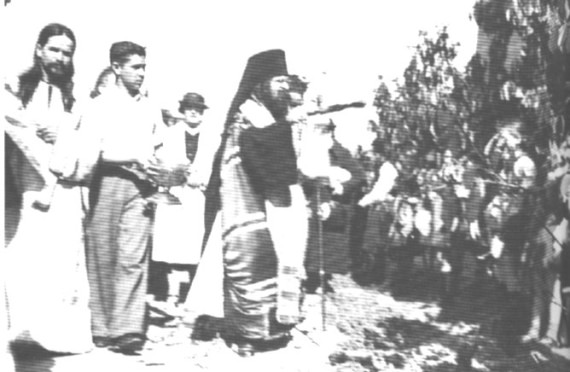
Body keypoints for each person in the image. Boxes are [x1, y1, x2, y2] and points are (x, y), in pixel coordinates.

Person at [203, 49, 309, 355]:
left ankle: (274, 329)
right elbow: (256, 149)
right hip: (243, 201)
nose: (283, 88)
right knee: (249, 261)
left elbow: (280, 159)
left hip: (269, 200)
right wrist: (285, 126)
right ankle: (246, 333)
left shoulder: (270, 114)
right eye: (277, 81)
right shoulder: (248, 112)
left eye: (285, 82)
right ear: (259, 83)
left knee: (278, 260)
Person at [3, 23, 93, 354]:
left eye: (67, 52)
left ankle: (60, 337)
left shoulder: (75, 96)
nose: (60, 57)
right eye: (54, 49)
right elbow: (19, 131)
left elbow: (86, 139)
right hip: (28, 185)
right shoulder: (17, 90)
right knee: (28, 257)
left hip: (66, 189)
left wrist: (63, 140)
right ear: (39, 48)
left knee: (62, 258)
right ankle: (27, 334)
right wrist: (51, 151)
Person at [82, 41, 168, 355]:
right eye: (135, 67)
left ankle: (128, 329)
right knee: (103, 254)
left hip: (141, 187)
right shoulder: (99, 104)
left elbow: (159, 145)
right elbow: (95, 151)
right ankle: (102, 327)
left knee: (133, 257)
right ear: (117, 67)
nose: (141, 73)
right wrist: (131, 157)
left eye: (144, 67)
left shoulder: (149, 106)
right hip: (106, 183)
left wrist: (162, 169)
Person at [150, 92, 210, 313]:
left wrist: (202, 180)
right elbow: (158, 160)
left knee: (197, 244)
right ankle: (172, 295)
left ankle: (193, 296)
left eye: (198, 108)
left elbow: (215, 167)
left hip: (199, 195)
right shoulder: (169, 134)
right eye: (189, 108)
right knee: (172, 246)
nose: (193, 112)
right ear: (183, 111)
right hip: (176, 192)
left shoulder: (212, 138)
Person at [303, 119, 366, 293]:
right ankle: (312, 278)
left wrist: (342, 187)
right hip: (313, 200)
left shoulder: (339, 151)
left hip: (332, 203)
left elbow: (359, 175)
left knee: (328, 242)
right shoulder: (310, 151)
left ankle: (322, 280)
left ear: (329, 132)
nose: (316, 134)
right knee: (313, 241)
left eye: (320, 130)